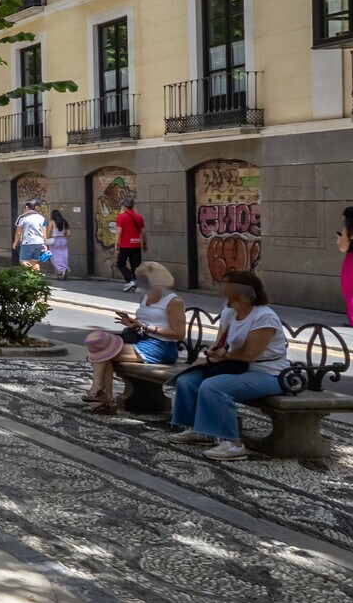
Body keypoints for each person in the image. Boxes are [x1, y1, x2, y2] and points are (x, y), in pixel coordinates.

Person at [163, 269, 289, 461]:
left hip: (269, 373)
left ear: (241, 290)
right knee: (187, 380)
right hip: (235, 365)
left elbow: (250, 354)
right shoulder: (229, 311)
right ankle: (200, 431)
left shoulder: (264, 317)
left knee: (213, 387)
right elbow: (220, 343)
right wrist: (212, 353)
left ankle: (233, 443)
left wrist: (221, 357)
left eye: (227, 285)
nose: (222, 289)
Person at [81, 263, 186, 414]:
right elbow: (143, 321)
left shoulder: (174, 301)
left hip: (162, 347)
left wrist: (146, 327)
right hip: (142, 340)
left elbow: (179, 334)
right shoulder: (145, 296)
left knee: (103, 350)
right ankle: (104, 398)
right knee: (101, 347)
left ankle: (100, 392)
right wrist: (131, 322)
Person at [114, 196, 146, 290]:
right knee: (135, 266)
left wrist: (116, 244)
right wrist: (145, 243)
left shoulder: (121, 217)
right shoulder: (139, 217)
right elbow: (143, 232)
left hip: (125, 245)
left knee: (120, 263)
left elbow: (119, 231)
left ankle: (130, 280)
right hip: (136, 244)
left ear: (123, 206)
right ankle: (136, 284)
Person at [12, 198, 49, 272]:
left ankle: (28, 276)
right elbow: (44, 233)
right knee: (34, 262)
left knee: (23, 261)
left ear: (26, 207)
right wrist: (45, 244)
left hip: (27, 242)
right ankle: (36, 276)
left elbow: (18, 232)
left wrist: (15, 242)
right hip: (39, 243)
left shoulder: (22, 218)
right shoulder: (42, 218)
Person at [47, 208, 71, 279]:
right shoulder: (64, 222)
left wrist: (48, 239)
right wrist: (63, 234)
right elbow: (69, 233)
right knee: (64, 255)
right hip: (63, 239)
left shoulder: (52, 222)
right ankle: (62, 270)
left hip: (55, 240)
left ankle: (62, 270)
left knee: (55, 256)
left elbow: (48, 233)